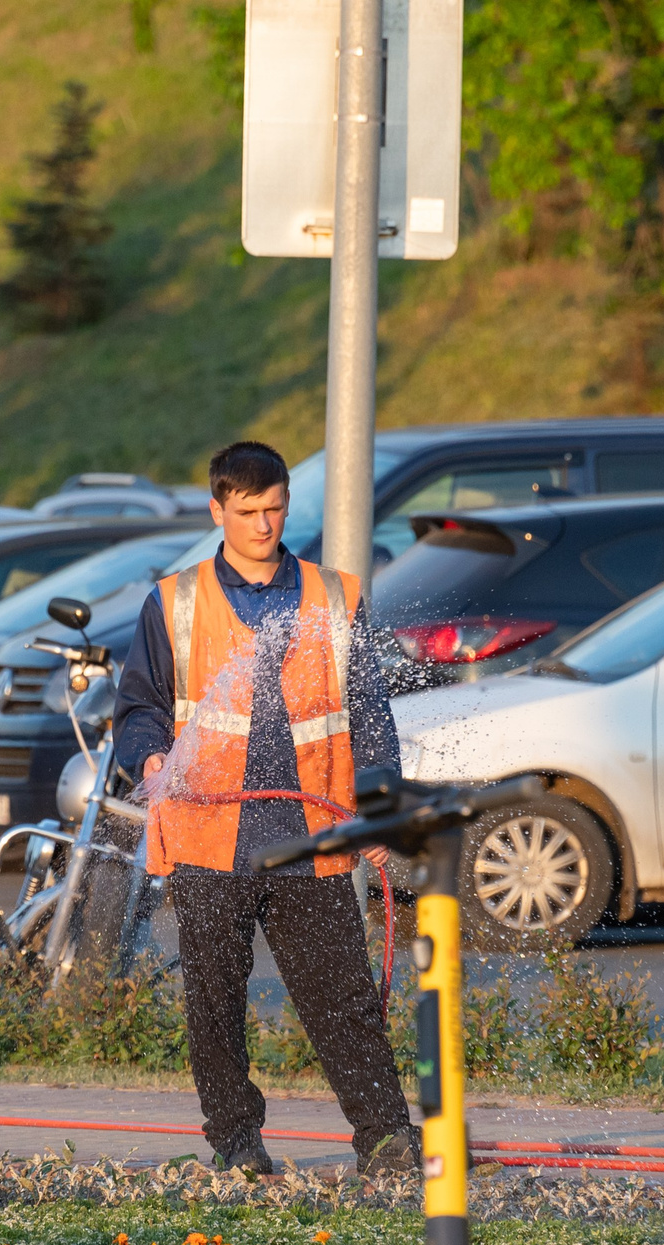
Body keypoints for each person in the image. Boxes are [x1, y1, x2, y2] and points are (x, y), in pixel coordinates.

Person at [114, 440, 419, 1177]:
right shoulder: (174, 601)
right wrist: (150, 754)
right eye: (247, 512)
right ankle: (237, 1143)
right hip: (207, 837)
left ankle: (385, 1137)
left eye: (275, 509)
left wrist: (378, 809)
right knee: (213, 1003)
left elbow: (370, 718)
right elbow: (139, 708)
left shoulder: (333, 597)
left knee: (342, 996)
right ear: (218, 509)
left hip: (312, 835)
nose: (263, 525)